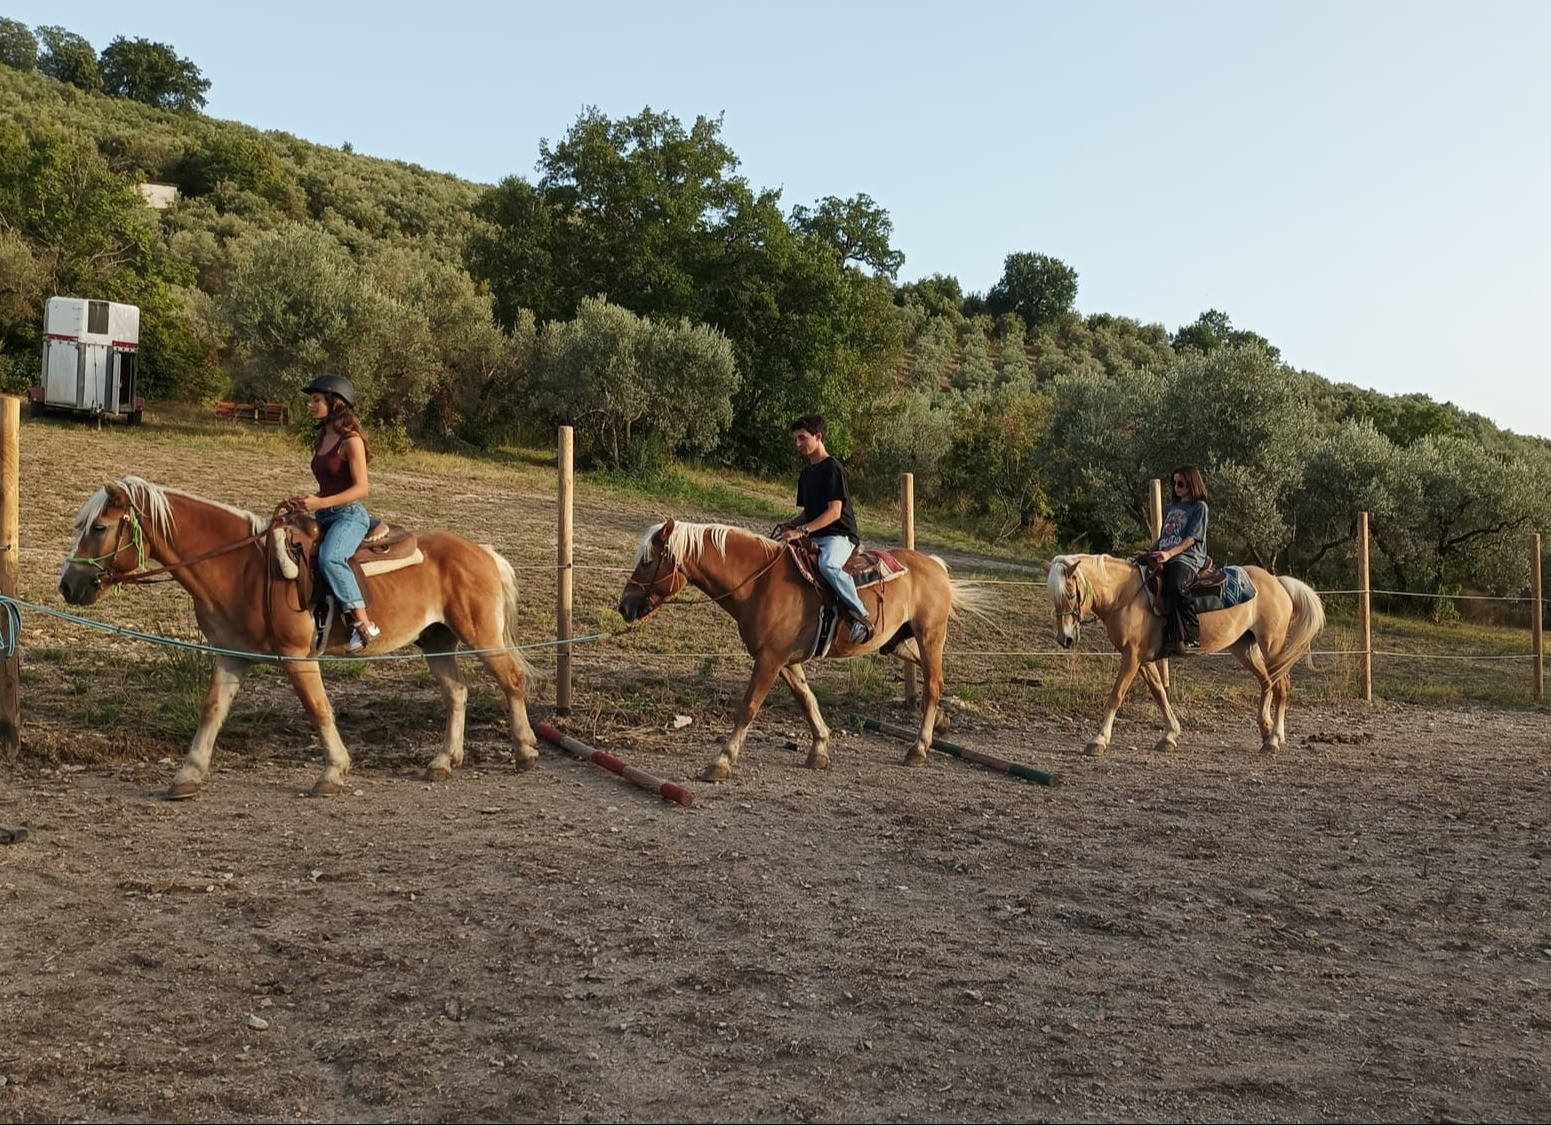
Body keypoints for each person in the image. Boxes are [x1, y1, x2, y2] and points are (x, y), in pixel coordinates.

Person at [285, 374, 381, 653]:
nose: (310, 405)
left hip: (348, 516)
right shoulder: (323, 437)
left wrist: (320, 503)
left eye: (316, 400)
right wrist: (304, 503)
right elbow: (328, 483)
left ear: (335, 403)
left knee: (331, 557)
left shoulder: (351, 441)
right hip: (325, 514)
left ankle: (363, 624)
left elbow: (362, 489)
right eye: (311, 400)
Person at [773, 415, 873, 644]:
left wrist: (801, 531)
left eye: (802, 438)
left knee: (828, 565)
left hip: (839, 536)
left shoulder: (832, 468)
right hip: (816, 535)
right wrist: (790, 524)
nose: (798, 444)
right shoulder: (806, 474)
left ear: (818, 437)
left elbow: (834, 512)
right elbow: (809, 513)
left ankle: (861, 616)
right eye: (796, 439)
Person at [1149, 464, 1210, 655]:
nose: (1176, 487)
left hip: (1188, 557)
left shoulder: (1199, 508)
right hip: (1167, 555)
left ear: (1192, 484)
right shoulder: (1170, 508)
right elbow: (1165, 537)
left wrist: (1169, 554)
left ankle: (1192, 635)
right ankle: (1166, 635)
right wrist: (1149, 552)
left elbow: (1192, 538)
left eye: (1181, 483)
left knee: (1176, 585)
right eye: (1174, 483)